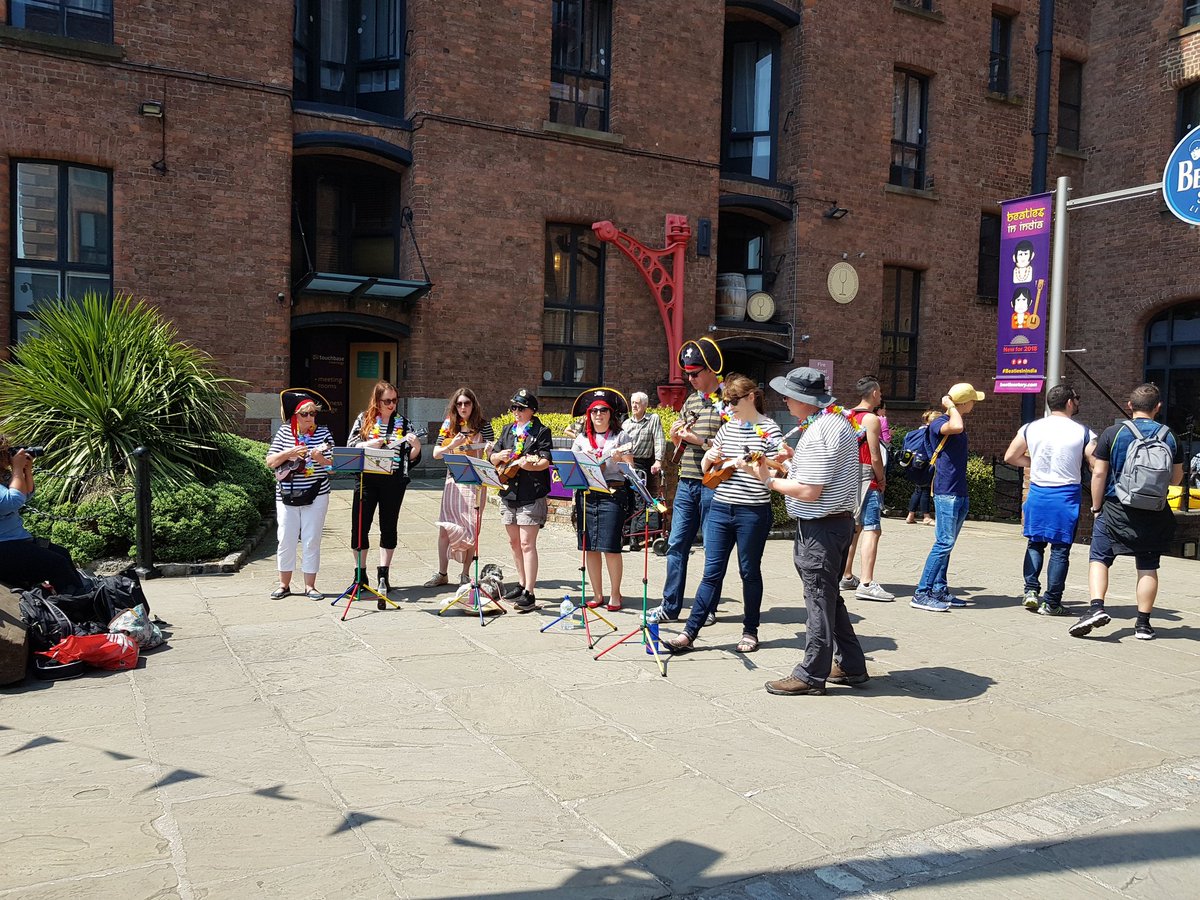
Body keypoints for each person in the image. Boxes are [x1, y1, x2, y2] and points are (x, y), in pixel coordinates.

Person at [740, 368, 865, 695]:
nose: (784, 399)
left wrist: (766, 479)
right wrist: (790, 462)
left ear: (805, 400)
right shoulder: (836, 423)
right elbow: (819, 473)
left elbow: (810, 491)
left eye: (789, 394)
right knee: (830, 598)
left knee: (818, 601)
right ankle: (851, 664)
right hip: (835, 524)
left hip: (821, 529)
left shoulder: (821, 431)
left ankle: (811, 674)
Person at [662, 374, 782, 654]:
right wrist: (712, 458)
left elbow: (778, 470)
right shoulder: (729, 428)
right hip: (720, 507)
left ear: (752, 397)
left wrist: (756, 467)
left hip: (752, 511)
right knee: (711, 573)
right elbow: (707, 466)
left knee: (749, 571)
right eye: (726, 401)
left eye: (734, 401)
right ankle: (689, 633)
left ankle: (750, 630)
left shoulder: (769, 430)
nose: (729, 406)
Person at [1069, 383, 1184, 641]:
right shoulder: (1170, 436)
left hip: (1115, 508)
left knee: (1099, 557)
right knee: (1148, 566)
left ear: (1130, 406)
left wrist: (1096, 507)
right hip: (1154, 512)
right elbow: (1176, 480)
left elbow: (1099, 473)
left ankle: (1096, 608)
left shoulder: (1114, 433)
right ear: (1158, 408)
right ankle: (1143, 625)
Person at [649, 338, 726, 624]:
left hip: (714, 484)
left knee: (712, 550)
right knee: (676, 544)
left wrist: (700, 440)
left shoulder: (727, 402)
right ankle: (670, 607)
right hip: (687, 481)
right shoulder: (691, 400)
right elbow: (678, 440)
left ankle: (707, 609)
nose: (690, 379)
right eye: (688, 374)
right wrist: (676, 436)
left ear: (710, 371)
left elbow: (733, 447)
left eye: (695, 373)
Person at [1003, 384, 1095, 616]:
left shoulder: (1030, 428)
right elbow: (1095, 466)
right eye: (1077, 398)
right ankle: (1052, 602)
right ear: (1069, 402)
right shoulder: (1084, 432)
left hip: (1038, 492)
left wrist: (1035, 463)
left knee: (1035, 543)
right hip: (1065, 496)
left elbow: (1010, 456)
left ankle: (1031, 591)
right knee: (1060, 550)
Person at [910, 383, 985, 612]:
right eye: (972, 400)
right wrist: (951, 406)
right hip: (946, 491)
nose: (974, 404)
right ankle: (922, 593)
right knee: (944, 542)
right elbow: (957, 426)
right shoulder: (940, 423)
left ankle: (940, 589)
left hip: (958, 490)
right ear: (962, 402)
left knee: (948, 545)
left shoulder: (953, 421)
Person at [347, 381, 422, 606]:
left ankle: (383, 574)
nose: (391, 405)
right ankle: (360, 575)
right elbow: (351, 446)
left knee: (389, 526)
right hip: (366, 481)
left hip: (393, 482)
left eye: (394, 400)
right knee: (360, 526)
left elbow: (411, 458)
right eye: (387, 401)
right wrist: (369, 444)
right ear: (377, 401)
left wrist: (416, 446)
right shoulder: (364, 419)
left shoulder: (404, 423)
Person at [266, 389, 335, 600]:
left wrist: (319, 458)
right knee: (285, 538)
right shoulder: (285, 432)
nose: (309, 418)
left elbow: (332, 465)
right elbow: (270, 461)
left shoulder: (323, 433)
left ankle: (310, 586)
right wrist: (290, 452)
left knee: (311, 539)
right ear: (296, 415)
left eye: (313, 413)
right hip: (286, 494)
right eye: (304, 414)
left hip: (317, 493)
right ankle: (283, 584)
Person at [489, 388, 553, 613]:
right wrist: (498, 456)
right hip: (508, 492)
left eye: (520, 408)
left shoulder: (541, 431)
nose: (515, 411)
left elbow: (545, 459)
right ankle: (521, 582)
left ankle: (530, 592)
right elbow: (493, 455)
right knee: (514, 543)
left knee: (527, 544)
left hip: (530, 492)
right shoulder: (508, 430)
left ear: (531, 411)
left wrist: (531, 465)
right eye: (513, 407)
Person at [571, 388, 634, 611]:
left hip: (612, 493)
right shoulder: (581, 438)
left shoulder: (621, 437)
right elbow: (573, 466)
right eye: (594, 410)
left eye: (603, 410)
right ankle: (597, 594)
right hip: (587, 495)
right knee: (590, 547)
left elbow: (630, 470)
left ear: (611, 414)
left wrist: (619, 459)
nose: (599, 414)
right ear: (589, 414)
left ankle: (615, 594)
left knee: (611, 547)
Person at [428, 387, 495, 587]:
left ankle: (465, 574)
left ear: (473, 405)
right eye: (459, 403)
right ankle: (442, 573)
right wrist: (451, 445)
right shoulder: (449, 425)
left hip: (475, 485)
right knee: (445, 529)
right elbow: (436, 454)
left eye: (467, 403)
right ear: (454, 406)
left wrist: (490, 450)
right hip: (453, 482)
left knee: (472, 528)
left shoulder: (484, 426)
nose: (463, 407)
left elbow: (492, 455)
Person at [0, 437, 81, 593]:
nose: (9, 455)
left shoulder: (3, 475)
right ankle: (78, 608)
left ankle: (87, 601)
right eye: (5, 452)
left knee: (62, 554)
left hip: (16, 540)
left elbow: (25, 495)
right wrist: (17, 470)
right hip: (3, 547)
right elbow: (12, 501)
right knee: (56, 564)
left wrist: (26, 471)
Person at [839, 376, 893, 602]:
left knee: (855, 528)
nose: (880, 397)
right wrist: (881, 479)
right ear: (873, 393)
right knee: (872, 528)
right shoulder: (870, 419)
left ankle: (846, 574)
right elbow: (875, 455)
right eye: (879, 393)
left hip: (848, 475)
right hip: (865, 477)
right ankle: (867, 583)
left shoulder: (845, 416)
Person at [622, 390, 666, 544]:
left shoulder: (652, 419)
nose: (634, 405)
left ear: (645, 405)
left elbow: (659, 439)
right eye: (633, 402)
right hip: (625, 463)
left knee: (639, 500)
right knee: (625, 499)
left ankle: (635, 537)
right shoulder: (626, 423)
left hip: (641, 464)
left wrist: (658, 460)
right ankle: (625, 534)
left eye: (638, 403)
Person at [905, 409, 938, 525]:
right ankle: (926, 516)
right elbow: (930, 448)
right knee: (925, 488)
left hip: (913, 463)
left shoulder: (915, 432)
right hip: (925, 463)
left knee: (918, 488)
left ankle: (910, 515)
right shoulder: (929, 433)